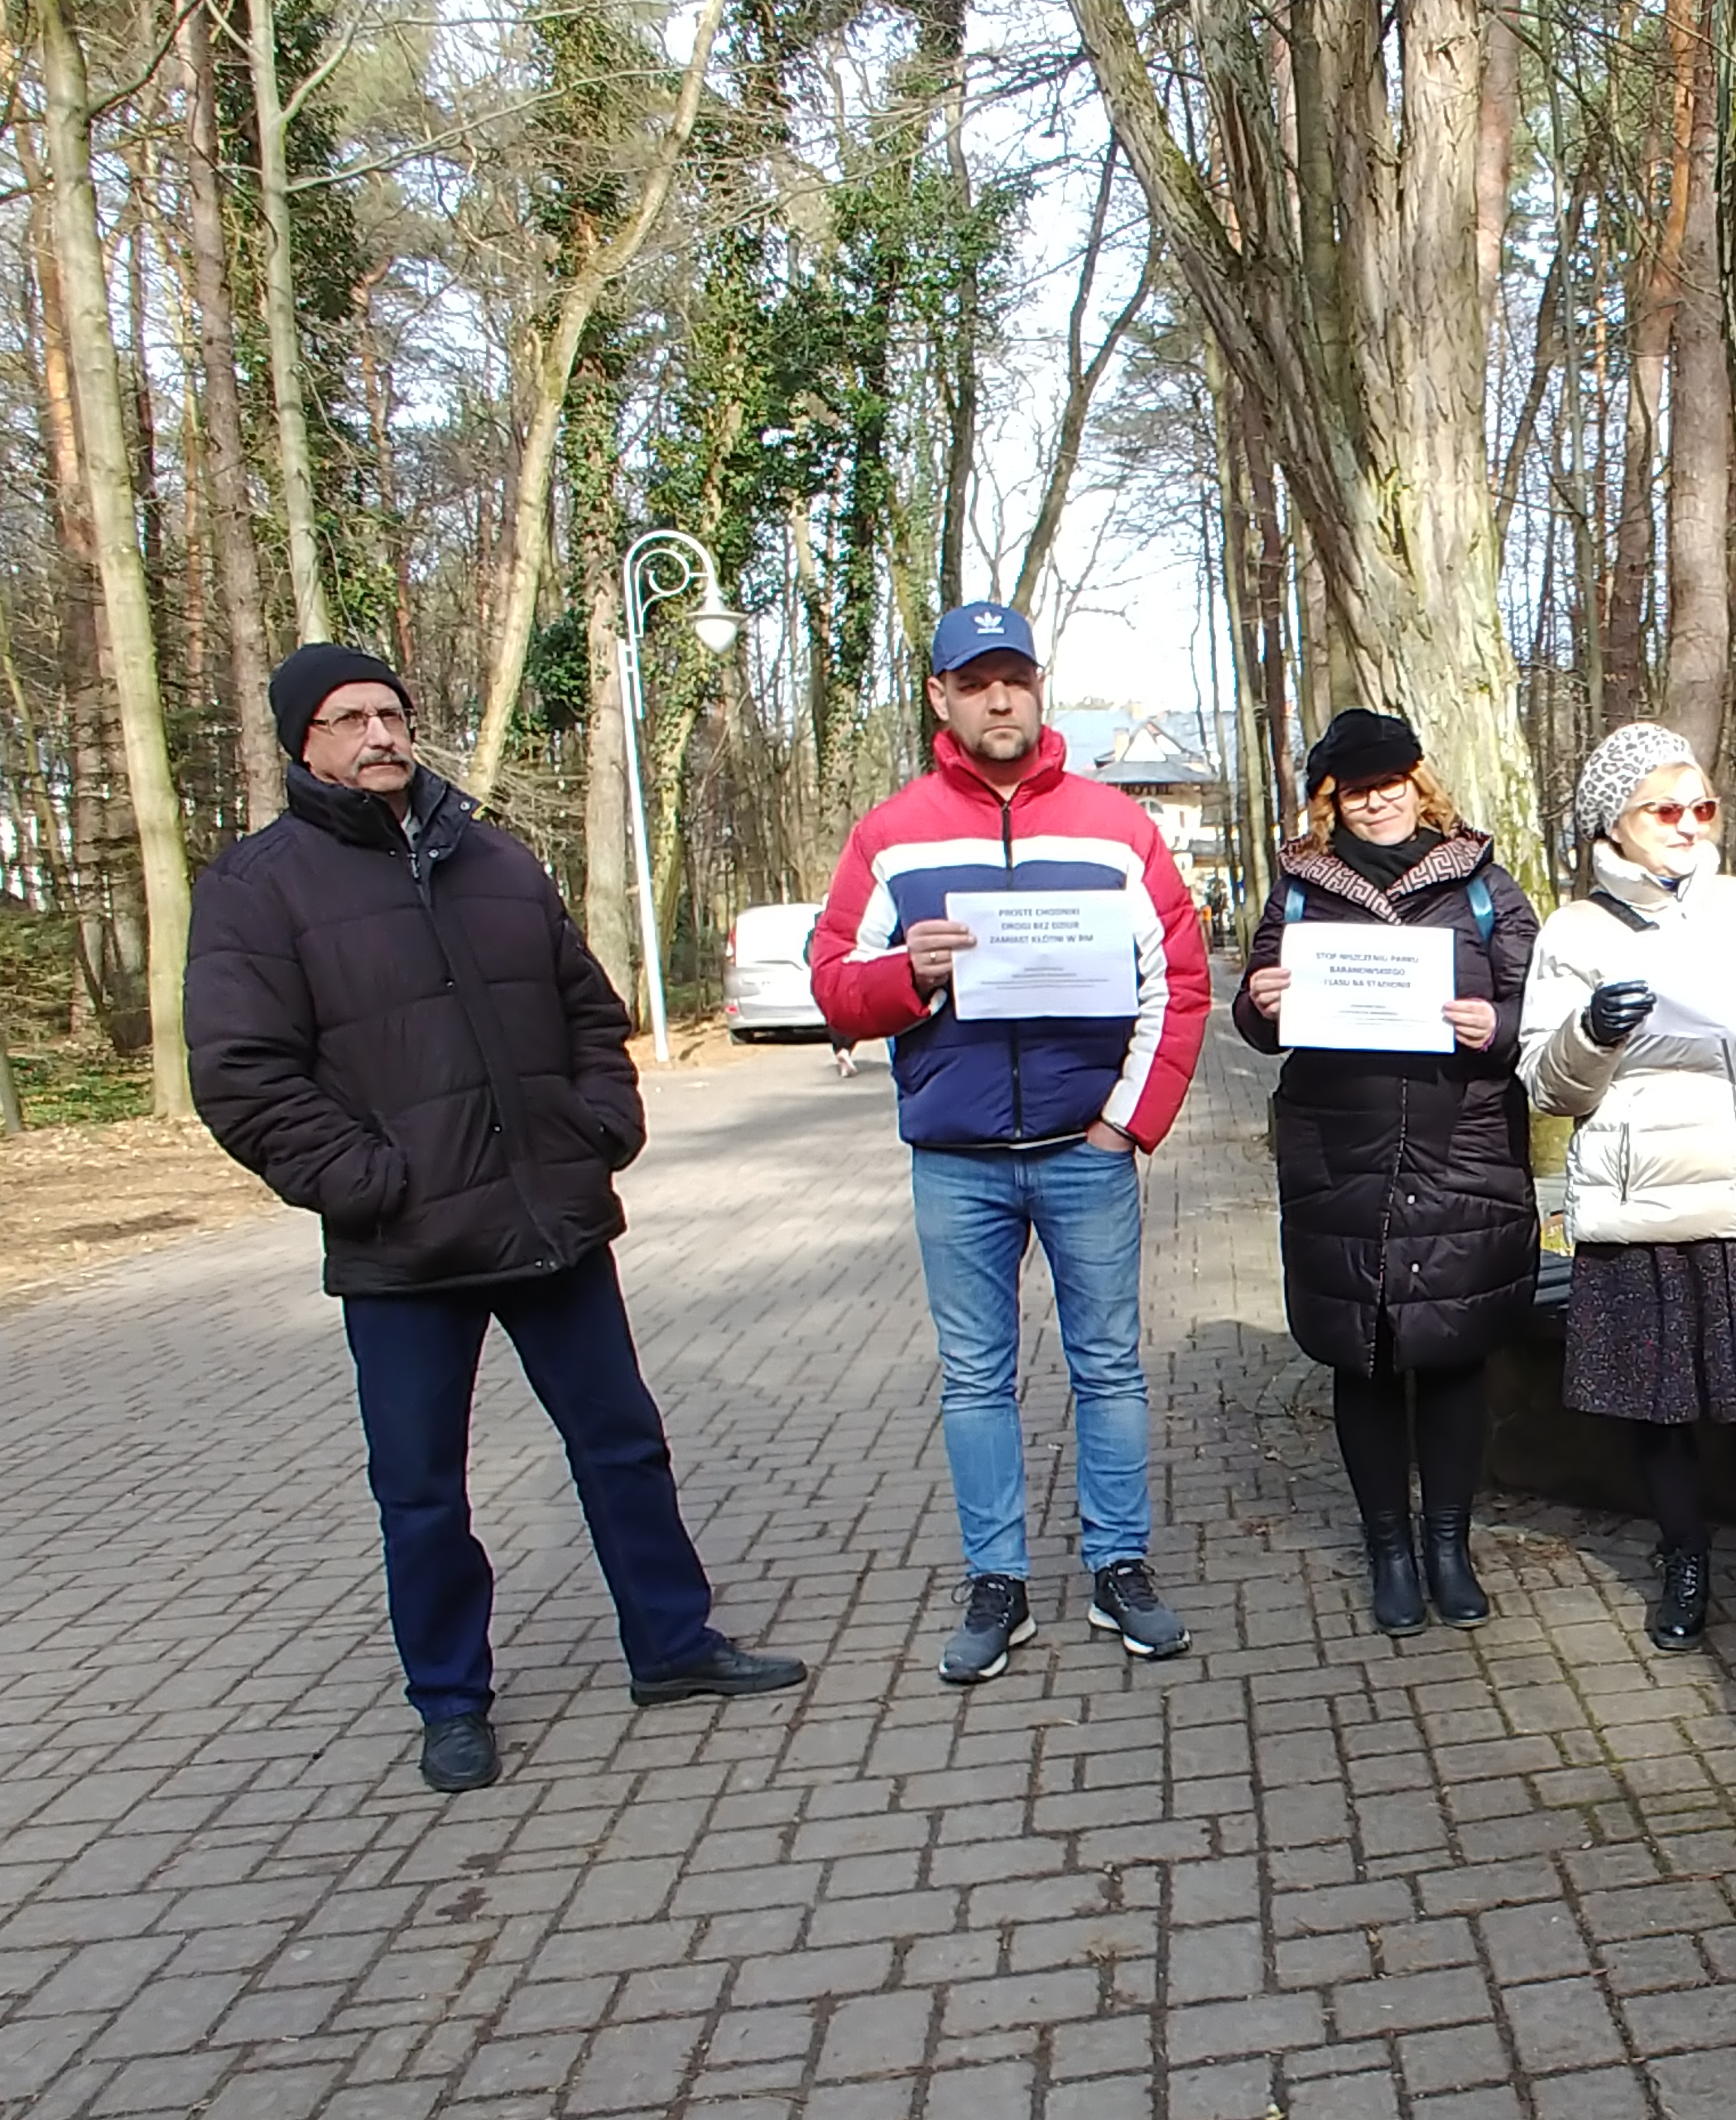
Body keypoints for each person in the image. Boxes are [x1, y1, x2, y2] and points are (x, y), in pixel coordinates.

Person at [187, 643, 807, 1794]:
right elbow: (243, 1079)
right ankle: (451, 1701)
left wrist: (597, 1124)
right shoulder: (257, 889)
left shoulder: (494, 857)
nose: (379, 734)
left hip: (550, 1222)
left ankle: (672, 1644)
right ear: (304, 743)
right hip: (406, 1247)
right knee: (422, 1487)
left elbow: (585, 1006)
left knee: (622, 1442)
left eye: (392, 712)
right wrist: (371, 1182)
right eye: (348, 718)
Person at [810, 602, 1214, 1685]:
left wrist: (1126, 1121)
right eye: (976, 681)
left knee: (1109, 1368)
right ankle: (999, 1581)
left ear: (1038, 689)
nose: (1000, 699)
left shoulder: (1115, 827)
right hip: (956, 1159)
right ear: (940, 697)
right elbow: (834, 989)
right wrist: (909, 977)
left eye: (1016, 679)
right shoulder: (889, 835)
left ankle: (1120, 1564)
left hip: (1086, 1153)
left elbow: (1177, 984)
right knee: (976, 1378)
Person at [1523, 723, 1736, 1653]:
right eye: (1661, 808)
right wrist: (1591, 1027)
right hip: (1640, 1205)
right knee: (1658, 1407)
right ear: (1611, 824)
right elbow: (1549, 1087)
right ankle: (1683, 1558)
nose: (1687, 823)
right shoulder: (1574, 930)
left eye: (1700, 806)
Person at [1234, 709, 1538, 1636]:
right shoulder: (1296, 890)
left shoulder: (1483, 883)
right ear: (1331, 799)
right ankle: (1388, 1552)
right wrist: (1260, 1002)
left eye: (1390, 783)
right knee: (1360, 1360)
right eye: (1354, 790)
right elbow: (1256, 1020)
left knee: (1450, 1359)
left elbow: (1541, 997)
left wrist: (1501, 1027)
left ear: (1419, 782)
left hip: (1463, 1149)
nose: (1376, 803)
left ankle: (1448, 1547)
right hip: (1342, 1153)